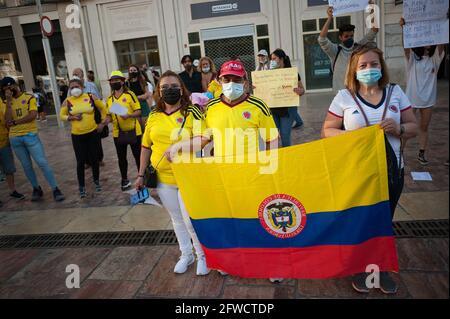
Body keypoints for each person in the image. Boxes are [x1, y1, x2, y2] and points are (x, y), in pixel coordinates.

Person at [166, 60, 280, 281]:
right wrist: (178, 146)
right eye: (226, 79)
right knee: (229, 221)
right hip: (223, 176)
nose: (231, 84)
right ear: (219, 81)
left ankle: (272, 264)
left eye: (236, 80)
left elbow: (272, 139)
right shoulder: (210, 108)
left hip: (252, 175)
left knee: (260, 220)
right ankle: (231, 261)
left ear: (245, 82)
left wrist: (271, 169)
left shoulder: (258, 105)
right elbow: (202, 139)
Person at [321, 43, 418, 294]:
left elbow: (414, 126)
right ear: (354, 70)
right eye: (363, 65)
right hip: (358, 172)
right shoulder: (344, 97)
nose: (369, 69)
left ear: (381, 66)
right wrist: (352, 136)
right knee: (363, 221)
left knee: (384, 222)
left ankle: (380, 269)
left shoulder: (396, 92)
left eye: (373, 64)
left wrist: (400, 130)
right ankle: (361, 266)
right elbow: (327, 131)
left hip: (391, 171)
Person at [135, 71, 209, 276]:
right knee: (176, 220)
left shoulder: (192, 111)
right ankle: (186, 254)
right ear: (158, 91)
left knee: (190, 221)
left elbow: (204, 139)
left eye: (173, 86)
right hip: (163, 178)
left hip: (188, 175)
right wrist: (140, 174)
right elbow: (145, 146)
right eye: (164, 87)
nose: (169, 90)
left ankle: (202, 256)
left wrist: (180, 147)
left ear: (181, 88)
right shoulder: (153, 114)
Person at [1, 77, 65, 202]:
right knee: (26, 166)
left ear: (15, 85)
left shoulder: (29, 97)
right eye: (5, 89)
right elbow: (7, 121)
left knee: (42, 162)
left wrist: (15, 122)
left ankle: (55, 188)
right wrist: (8, 103)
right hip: (15, 138)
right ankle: (36, 188)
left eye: (10, 87)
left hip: (30, 135)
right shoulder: (5, 103)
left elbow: (32, 115)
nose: (9, 91)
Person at [400, 17, 446, 165]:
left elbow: (441, 43)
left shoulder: (435, 60)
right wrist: (404, 29)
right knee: (406, 128)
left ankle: (421, 153)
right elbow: (406, 47)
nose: (428, 45)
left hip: (428, 100)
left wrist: (445, 22)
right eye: (425, 43)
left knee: (424, 127)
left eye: (430, 43)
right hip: (411, 99)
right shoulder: (412, 58)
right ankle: (399, 152)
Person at [60, 78, 108, 198]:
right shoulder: (68, 101)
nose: (74, 89)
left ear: (82, 87)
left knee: (94, 159)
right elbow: (61, 115)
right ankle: (81, 186)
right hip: (77, 135)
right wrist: (71, 118)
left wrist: (102, 122)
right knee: (80, 161)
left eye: (77, 86)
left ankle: (96, 181)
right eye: (71, 87)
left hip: (92, 133)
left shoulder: (91, 97)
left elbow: (103, 108)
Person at [319, 6, 379, 92]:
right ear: (340, 37)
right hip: (341, 94)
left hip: (358, 92)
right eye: (346, 36)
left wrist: (372, 9)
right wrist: (329, 18)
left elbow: (374, 30)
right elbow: (322, 39)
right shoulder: (335, 51)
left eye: (351, 36)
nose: (349, 38)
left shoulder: (359, 47)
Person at [105, 71, 142, 191]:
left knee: (138, 156)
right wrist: (105, 121)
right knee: (121, 158)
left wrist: (129, 115)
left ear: (122, 81)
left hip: (133, 131)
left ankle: (141, 178)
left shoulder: (130, 94)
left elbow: (138, 111)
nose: (114, 82)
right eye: (112, 80)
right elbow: (109, 115)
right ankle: (124, 179)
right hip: (117, 132)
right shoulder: (109, 99)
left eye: (117, 80)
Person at [268, 49, 305, 147]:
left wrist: (299, 91)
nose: (272, 61)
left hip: (288, 109)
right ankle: (274, 156)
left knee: (285, 135)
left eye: (274, 58)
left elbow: (302, 90)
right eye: (271, 59)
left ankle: (287, 155)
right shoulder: (268, 75)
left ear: (281, 59)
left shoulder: (292, 73)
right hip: (273, 108)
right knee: (272, 135)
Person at [0, 96, 25, 202]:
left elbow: (7, 119)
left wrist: (9, 103)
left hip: (3, 139)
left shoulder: (1, 101)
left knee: (9, 168)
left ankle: (13, 190)